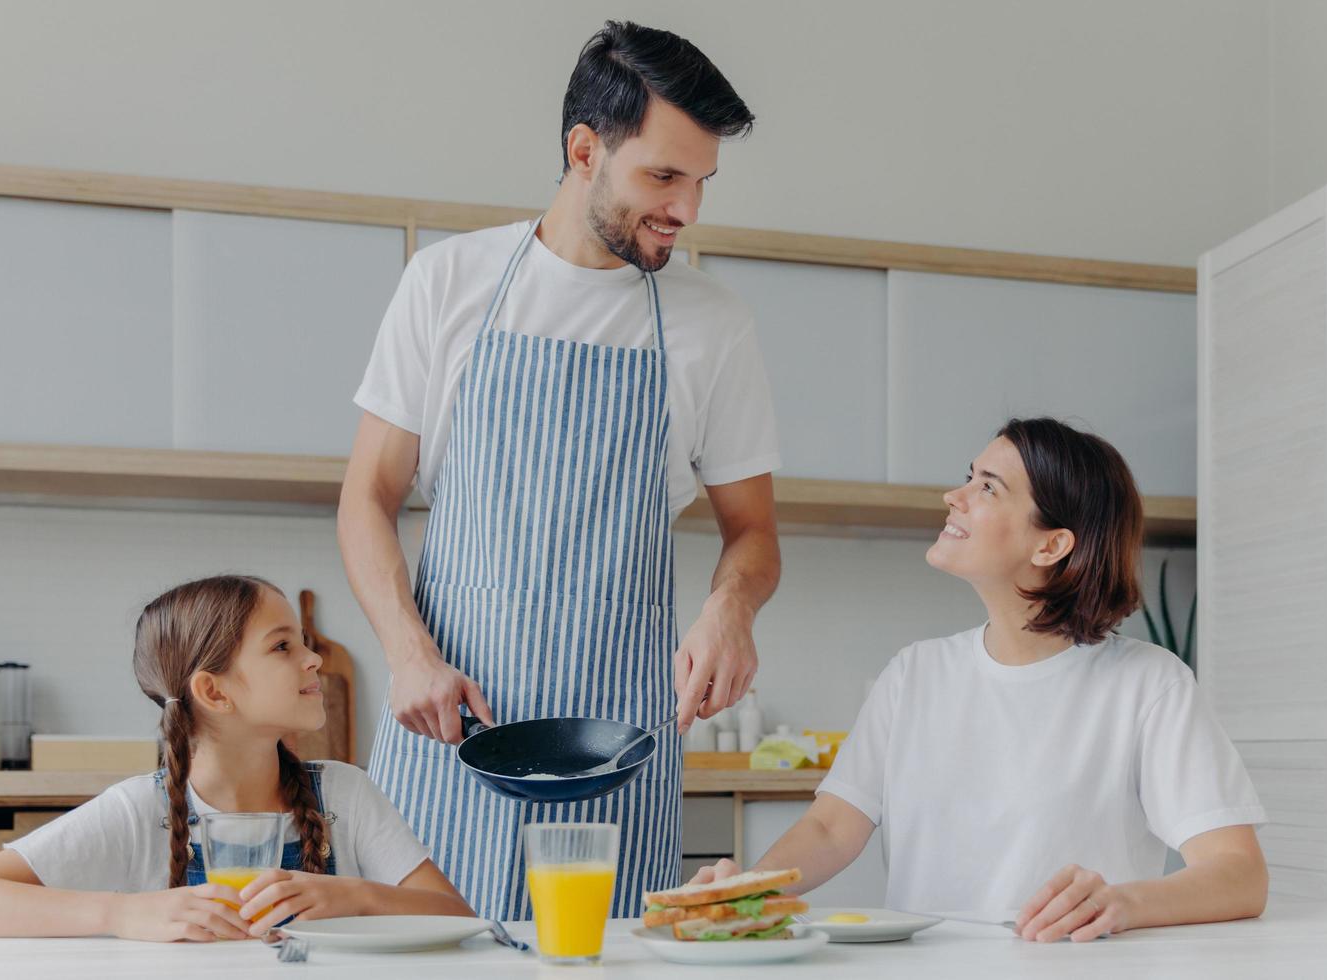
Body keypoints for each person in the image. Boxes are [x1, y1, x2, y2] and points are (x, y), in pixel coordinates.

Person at [340, 21, 780, 919]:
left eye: (701, 182)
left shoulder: (713, 323)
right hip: (449, 737)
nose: (687, 210)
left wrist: (731, 608)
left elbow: (755, 534)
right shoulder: (447, 281)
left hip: (615, 759)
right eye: (663, 176)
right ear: (585, 150)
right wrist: (406, 651)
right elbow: (366, 500)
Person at [691, 419, 1269, 942]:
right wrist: (749, 890)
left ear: (1051, 544)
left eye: (988, 487)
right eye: (969, 477)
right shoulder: (913, 674)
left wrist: (1122, 903)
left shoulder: (1149, 685)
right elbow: (830, 829)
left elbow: (1239, 875)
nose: (954, 496)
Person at [0, 575, 472, 941]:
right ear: (214, 692)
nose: (314, 659)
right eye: (283, 647)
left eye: (304, 641)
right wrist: (121, 913)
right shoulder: (138, 810)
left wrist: (355, 897)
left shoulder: (345, 794)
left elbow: (457, 917)